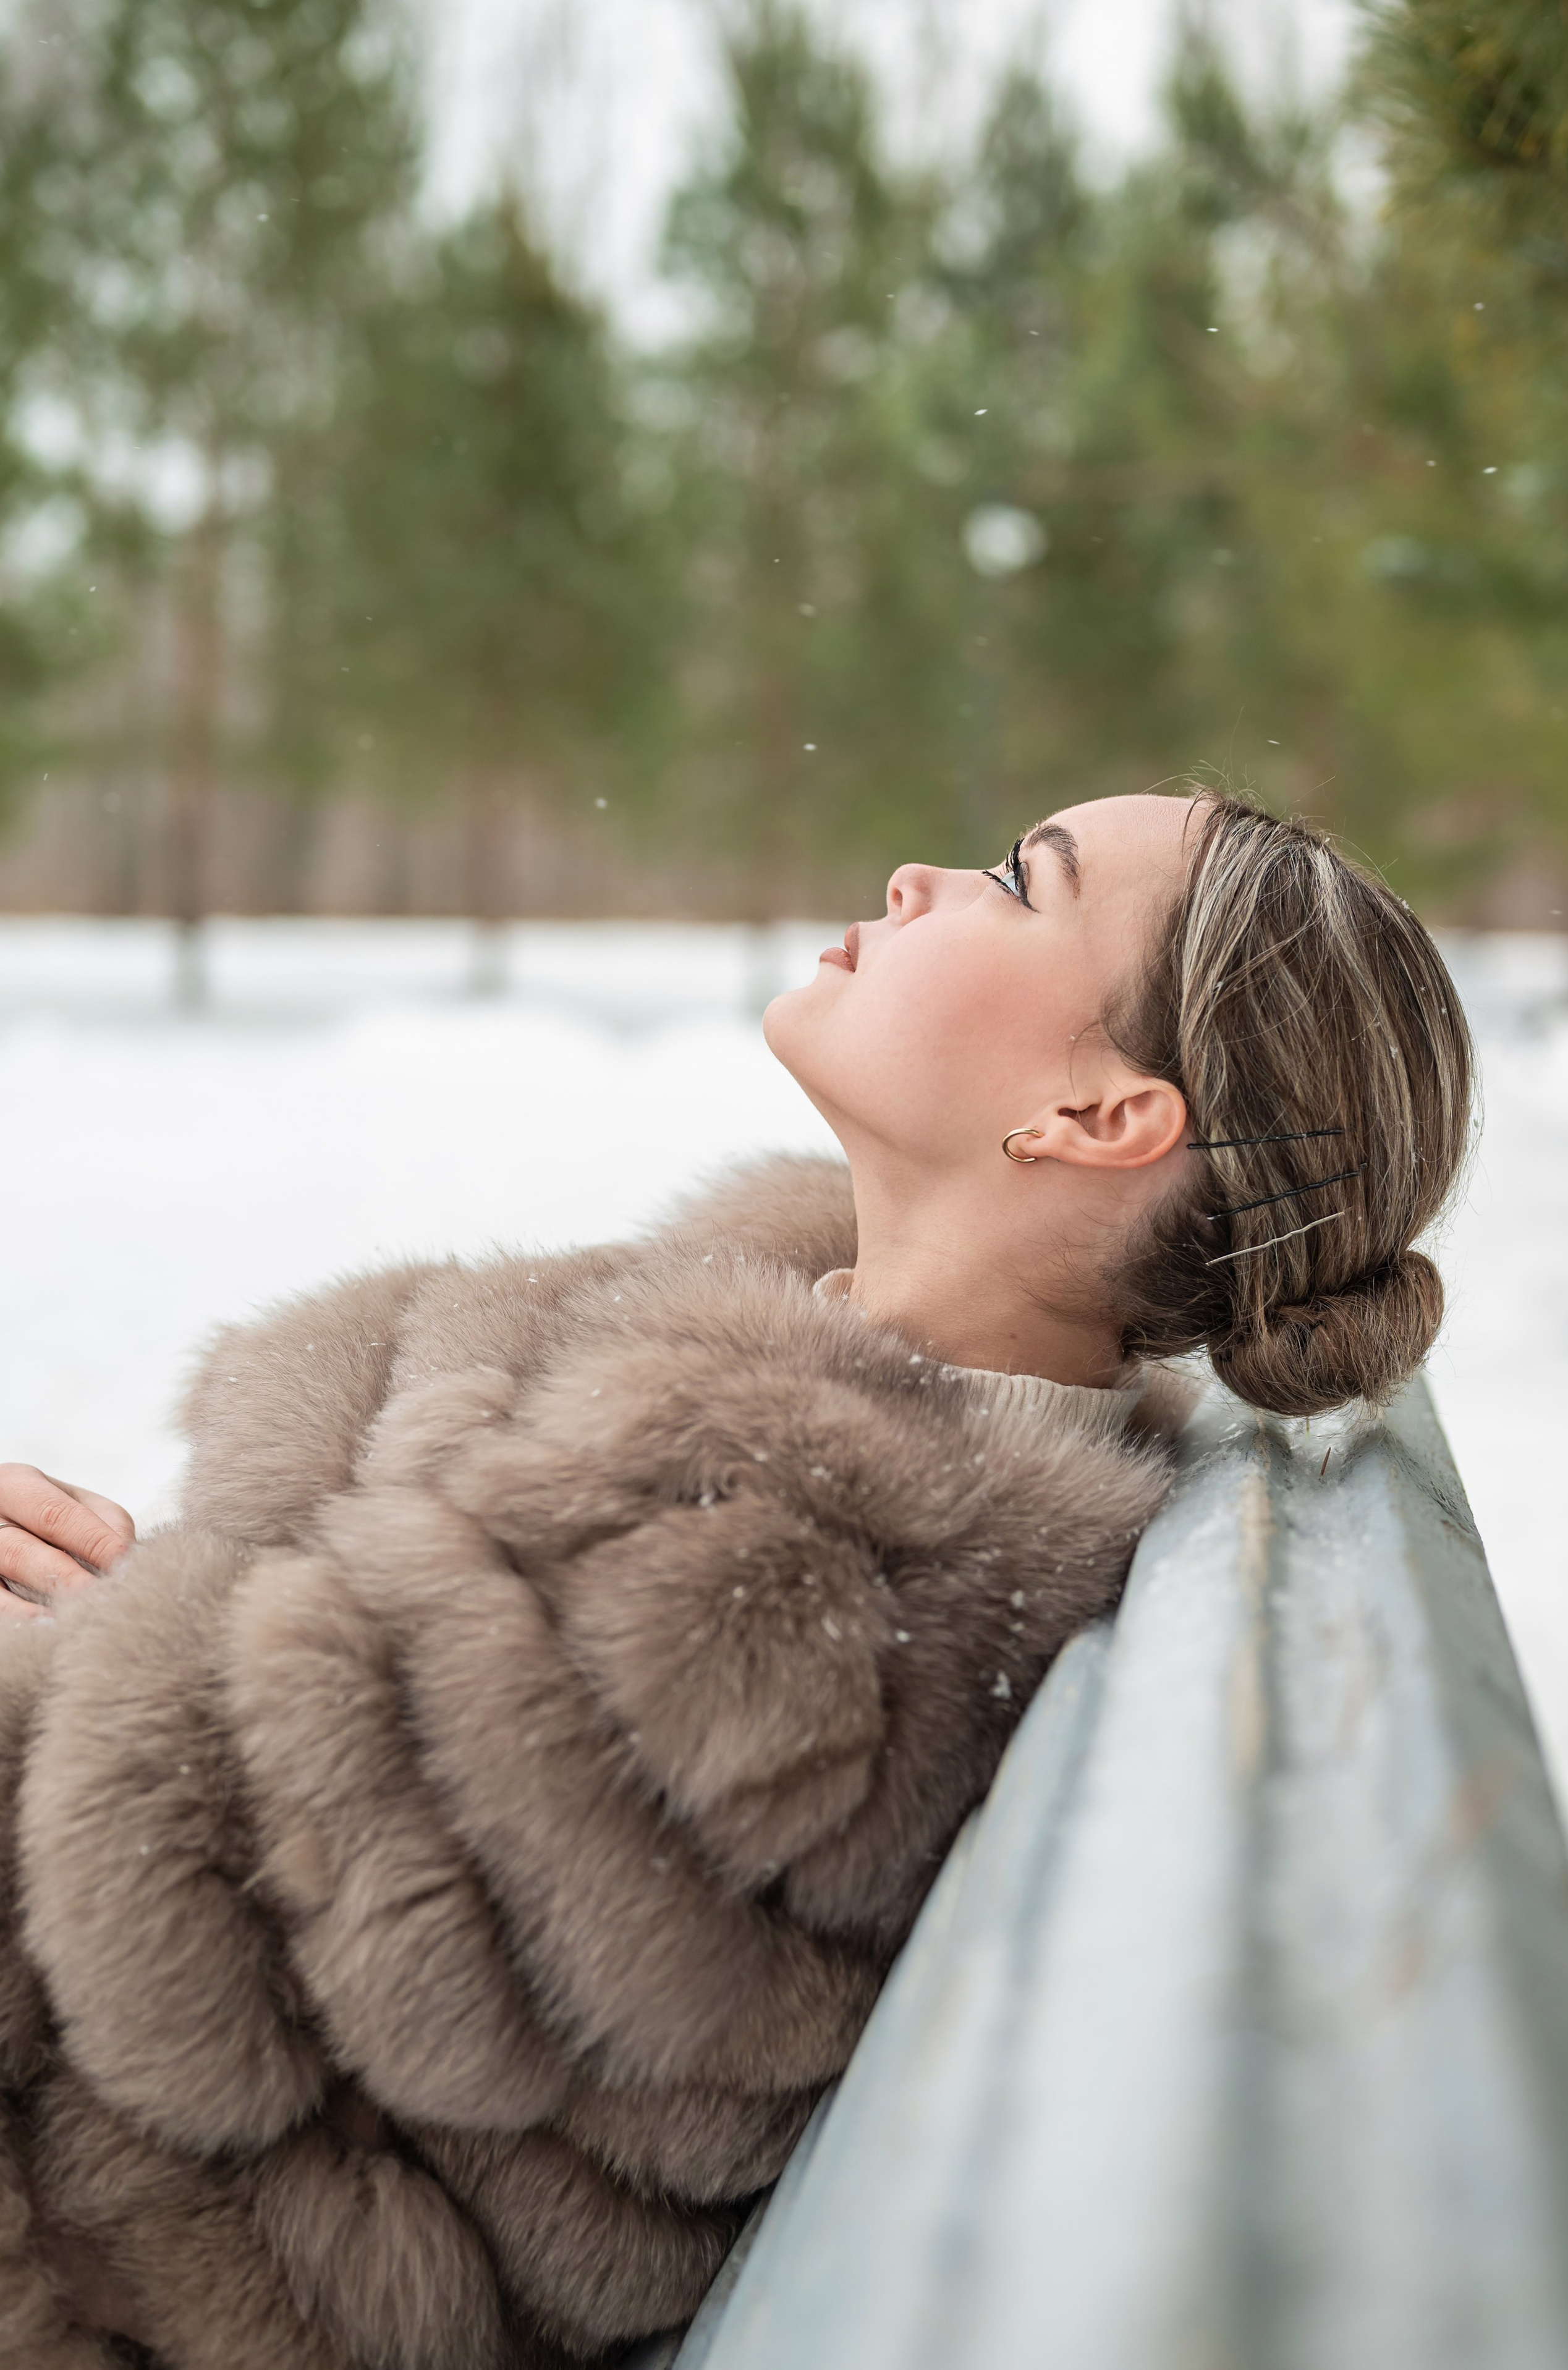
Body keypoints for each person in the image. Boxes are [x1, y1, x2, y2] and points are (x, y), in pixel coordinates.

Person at [0, 790, 1473, 2366]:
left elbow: (174, 1913)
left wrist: (99, 1655)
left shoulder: (794, 1581)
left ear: (1102, 1114)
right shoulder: (782, 1388)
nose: (913, 874)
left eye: (1008, 884)